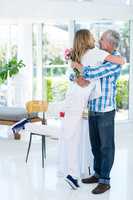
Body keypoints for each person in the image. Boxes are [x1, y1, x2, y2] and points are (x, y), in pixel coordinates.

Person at [58, 29, 124, 190]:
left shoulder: (114, 63)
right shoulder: (99, 55)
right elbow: (78, 76)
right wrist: (76, 75)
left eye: (101, 39)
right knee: (95, 145)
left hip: (106, 109)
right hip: (93, 107)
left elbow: (94, 72)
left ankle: (105, 180)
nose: (98, 41)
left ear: (109, 43)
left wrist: (77, 66)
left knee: (106, 146)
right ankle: (97, 173)